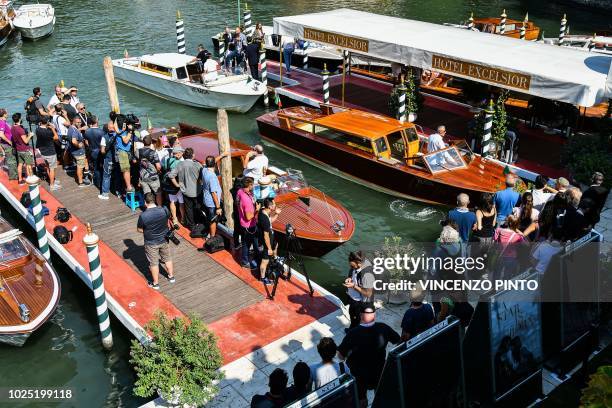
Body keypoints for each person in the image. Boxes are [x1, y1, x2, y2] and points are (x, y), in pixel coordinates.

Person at [338, 304, 401, 407]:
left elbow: (340, 356)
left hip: (360, 376)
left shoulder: (353, 334)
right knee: (380, 395)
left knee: (362, 400)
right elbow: (399, 341)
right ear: (374, 315)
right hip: (379, 371)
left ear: (360, 316)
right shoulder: (383, 328)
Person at [137, 192, 176, 290]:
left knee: (153, 263)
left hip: (151, 242)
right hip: (164, 239)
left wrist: (148, 230)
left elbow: (139, 229)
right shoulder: (164, 209)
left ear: (145, 202)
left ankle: (156, 283)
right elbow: (168, 219)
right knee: (167, 258)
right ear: (154, 200)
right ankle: (171, 277)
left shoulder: (143, 216)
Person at [343, 251, 375, 329]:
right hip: (353, 298)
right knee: (352, 315)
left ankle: (354, 333)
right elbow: (352, 272)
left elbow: (368, 294)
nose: (351, 267)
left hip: (360, 303)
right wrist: (349, 278)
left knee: (358, 321)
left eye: (353, 266)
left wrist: (354, 286)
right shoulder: (355, 266)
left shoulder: (367, 275)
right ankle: (351, 328)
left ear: (359, 263)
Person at [173, 147, 202, 230]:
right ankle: (198, 223)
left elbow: (171, 175)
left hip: (185, 192)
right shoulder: (197, 164)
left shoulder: (180, 164)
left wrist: (177, 185)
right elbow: (202, 176)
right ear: (192, 155)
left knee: (188, 209)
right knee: (197, 208)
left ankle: (191, 226)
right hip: (196, 191)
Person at [236, 176, 260, 268]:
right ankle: (245, 261)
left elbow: (237, 203)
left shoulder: (240, 191)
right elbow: (249, 216)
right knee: (246, 243)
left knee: (252, 241)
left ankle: (256, 255)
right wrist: (257, 210)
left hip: (242, 223)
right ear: (249, 185)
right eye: (252, 184)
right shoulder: (247, 201)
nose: (253, 186)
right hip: (249, 225)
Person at [493, 214, 526, 279]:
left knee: (496, 274)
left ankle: (494, 287)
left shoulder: (499, 230)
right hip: (511, 258)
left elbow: (494, 241)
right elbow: (526, 244)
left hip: (500, 256)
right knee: (507, 275)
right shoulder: (518, 236)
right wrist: (520, 233)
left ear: (508, 222)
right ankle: (504, 288)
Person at [258, 197, 280, 285]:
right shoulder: (264, 219)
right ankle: (262, 278)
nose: (275, 205)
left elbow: (270, 221)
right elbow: (265, 235)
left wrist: (277, 214)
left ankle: (275, 259)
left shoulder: (264, 211)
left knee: (276, 245)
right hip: (266, 240)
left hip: (271, 235)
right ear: (270, 206)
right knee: (265, 260)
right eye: (274, 204)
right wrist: (269, 248)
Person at [35, 116, 60, 190]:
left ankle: (52, 180)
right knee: (52, 168)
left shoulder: (37, 129)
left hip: (43, 151)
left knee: (48, 167)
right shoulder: (48, 131)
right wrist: (52, 129)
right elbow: (56, 137)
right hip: (50, 152)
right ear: (47, 122)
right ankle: (52, 185)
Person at [137, 135, 162, 205]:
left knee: (147, 193)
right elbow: (158, 166)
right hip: (152, 176)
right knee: (158, 193)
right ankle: (159, 207)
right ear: (151, 143)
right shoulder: (153, 152)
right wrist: (158, 171)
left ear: (143, 142)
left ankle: (149, 208)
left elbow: (135, 161)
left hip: (143, 176)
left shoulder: (138, 151)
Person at [163, 146, 185, 227]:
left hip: (169, 185)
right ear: (179, 153)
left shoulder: (168, 160)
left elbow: (165, 168)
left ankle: (175, 219)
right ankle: (183, 219)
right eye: (182, 152)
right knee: (181, 203)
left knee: (172, 201)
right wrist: (177, 185)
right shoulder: (181, 163)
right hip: (178, 185)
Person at [202, 155, 223, 238]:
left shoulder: (204, 170)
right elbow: (213, 192)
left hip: (206, 199)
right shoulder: (212, 176)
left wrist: (221, 155)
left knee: (209, 218)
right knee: (213, 220)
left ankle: (210, 233)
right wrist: (218, 207)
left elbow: (206, 163)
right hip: (212, 203)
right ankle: (212, 237)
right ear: (214, 164)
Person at [11, 113, 34, 184]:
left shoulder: (12, 127)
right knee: (28, 165)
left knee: (20, 164)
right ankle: (30, 179)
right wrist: (30, 135)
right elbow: (26, 141)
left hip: (18, 149)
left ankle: (20, 179)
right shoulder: (20, 130)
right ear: (20, 119)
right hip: (25, 149)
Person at [68, 116, 90, 187]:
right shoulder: (74, 131)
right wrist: (78, 145)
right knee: (80, 167)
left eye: (80, 122)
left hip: (74, 151)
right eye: (77, 122)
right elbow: (74, 141)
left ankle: (85, 177)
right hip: (78, 152)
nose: (79, 123)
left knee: (84, 162)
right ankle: (81, 182)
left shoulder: (71, 128)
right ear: (73, 121)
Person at [114, 121, 136, 193]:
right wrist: (130, 131)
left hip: (125, 152)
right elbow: (126, 141)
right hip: (123, 152)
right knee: (126, 170)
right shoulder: (122, 131)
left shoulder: (119, 130)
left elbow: (115, 121)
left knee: (127, 170)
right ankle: (129, 187)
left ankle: (128, 185)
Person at [84, 116, 105, 188]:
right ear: (97, 121)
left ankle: (95, 181)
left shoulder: (87, 131)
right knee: (99, 168)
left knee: (94, 167)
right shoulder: (101, 132)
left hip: (92, 151)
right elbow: (103, 143)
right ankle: (99, 183)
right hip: (99, 152)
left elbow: (86, 142)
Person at [52, 104, 71, 168]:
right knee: (66, 150)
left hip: (59, 134)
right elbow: (68, 124)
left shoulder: (54, 116)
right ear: (62, 110)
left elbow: (50, 112)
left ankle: (64, 163)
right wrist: (65, 116)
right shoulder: (61, 119)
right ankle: (66, 165)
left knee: (63, 150)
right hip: (64, 136)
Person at [0, 108, 17, 180]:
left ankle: (13, 173)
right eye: (6, 112)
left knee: (9, 159)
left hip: (4, 144)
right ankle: (13, 177)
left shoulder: (3, 121)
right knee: (11, 161)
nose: (7, 113)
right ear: (4, 114)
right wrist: (9, 141)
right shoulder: (2, 122)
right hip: (7, 144)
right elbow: (1, 134)